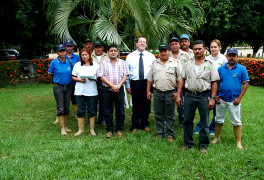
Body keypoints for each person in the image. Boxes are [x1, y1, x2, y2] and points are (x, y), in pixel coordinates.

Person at [176, 40, 219, 154]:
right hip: (189, 95)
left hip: (204, 96)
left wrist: (213, 99)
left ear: (205, 49)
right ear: (193, 50)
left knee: (204, 122)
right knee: (187, 120)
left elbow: (214, 81)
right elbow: (182, 79)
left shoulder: (210, 64)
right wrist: (179, 95)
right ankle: (188, 143)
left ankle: (203, 144)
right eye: (195, 49)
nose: (197, 51)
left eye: (200, 48)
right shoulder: (188, 63)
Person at [211, 48, 249, 150]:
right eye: (230, 55)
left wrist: (239, 98)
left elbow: (246, 84)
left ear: (237, 57)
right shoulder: (221, 69)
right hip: (221, 99)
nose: (231, 57)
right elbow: (217, 83)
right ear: (227, 56)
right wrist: (216, 95)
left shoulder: (242, 69)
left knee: (236, 121)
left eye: (234, 55)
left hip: (234, 100)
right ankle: (216, 137)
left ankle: (238, 142)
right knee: (218, 119)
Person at [147, 43, 182, 141]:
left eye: (165, 51)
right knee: (158, 114)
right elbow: (150, 78)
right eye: (161, 51)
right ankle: (160, 133)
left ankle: (170, 134)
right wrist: (148, 91)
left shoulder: (176, 63)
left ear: (169, 51)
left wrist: (178, 93)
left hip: (170, 92)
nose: (163, 53)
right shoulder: (155, 63)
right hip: (157, 92)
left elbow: (180, 79)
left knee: (170, 115)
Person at [194, 39, 228, 135]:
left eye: (215, 47)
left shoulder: (223, 59)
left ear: (219, 47)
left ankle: (212, 128)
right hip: (209, 86)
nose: (213, 49)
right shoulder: (207, 58)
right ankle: (199, 127)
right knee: (206, 108)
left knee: (217, 110)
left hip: (220, 86)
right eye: (211, 47)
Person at [97, 44, 130, 138]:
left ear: (117, 52)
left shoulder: (122, 63)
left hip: (119, 89)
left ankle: (119, 129)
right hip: (106, 90)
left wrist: (118, 86)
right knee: (108, 110)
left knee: (120, 110)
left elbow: (126, 75)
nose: (113, 52)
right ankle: (110, 129)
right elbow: (101, 76)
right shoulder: (104, 63)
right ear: (107, 52)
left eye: (115, 50)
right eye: (111, 50)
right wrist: (112, 86)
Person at [125, 36, 156, 134]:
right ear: (137, 44)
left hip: (147, 83)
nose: (142, 43)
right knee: (136, 105)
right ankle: (135, 125)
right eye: (140, 42)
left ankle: (145, 124)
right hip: (135, 83)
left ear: (146, 44)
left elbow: (154, 71)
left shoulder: (151, 56)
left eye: (144, 42)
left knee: (146, 104)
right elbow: (126, 72)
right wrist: (128, 85)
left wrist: (153, 86)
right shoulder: (130, 56)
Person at [71, 48, 99, 136]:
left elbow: (99, 77)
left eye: (86, 54)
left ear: (90, 55)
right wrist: (80, 80)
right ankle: (81, 129)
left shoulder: (95, 65)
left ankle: (92, 130)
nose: (84, 56)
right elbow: (73, 76)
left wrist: (94, 78)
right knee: (80, 111)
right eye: (82, 55)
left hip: (92, 91)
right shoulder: (77, 65)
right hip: (80, 91)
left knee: (92, 111)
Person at [48, 44, 73, 135]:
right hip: (58, 87)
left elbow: (73, 73)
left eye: (63, 50)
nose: (62, 52)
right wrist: (55, 83)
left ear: (66, 51)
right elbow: (50, 75)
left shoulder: (69, 62)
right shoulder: (54, 62)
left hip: (68, 87)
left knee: (66, 108)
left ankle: (65, 126)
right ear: (57, 52)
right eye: (60, 51)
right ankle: (62, 128)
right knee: (61, 108)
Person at [169, 37, 189, 127]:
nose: (174, 46)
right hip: (170, 82)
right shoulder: (167, 54)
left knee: (182, 102)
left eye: (176, 44)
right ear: (170, 46)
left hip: (183, 82)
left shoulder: (186, 55)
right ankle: (168, 121)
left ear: (179, 44)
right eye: (172, 44)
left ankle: (182, 121)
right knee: (169, 102)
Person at [92, 39, 109, 125]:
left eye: (100, 47)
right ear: (94, 48)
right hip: (92, 84)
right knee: (93, 102)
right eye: (96, 47)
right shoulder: (90, 56)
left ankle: (102, 119)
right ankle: (92, 119)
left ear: (102, 48)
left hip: (104, 83)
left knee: (103, 102)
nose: (98, 49)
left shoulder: (107, 56)